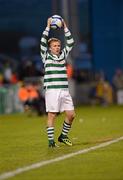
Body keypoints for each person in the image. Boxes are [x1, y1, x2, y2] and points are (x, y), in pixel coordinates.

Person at [40, 17, 75, 147]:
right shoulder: (46, 55)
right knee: (52, 115)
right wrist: (48, 26)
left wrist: (65, 26)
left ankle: (63, 136)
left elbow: (71, 42)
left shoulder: (63, 55)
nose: (57, 47)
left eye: (59, 45)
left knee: (71, 115)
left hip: (64, 90)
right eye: (54, 46)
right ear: (49, 48)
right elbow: (43, 41)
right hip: (52, 90)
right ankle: (51, 142)